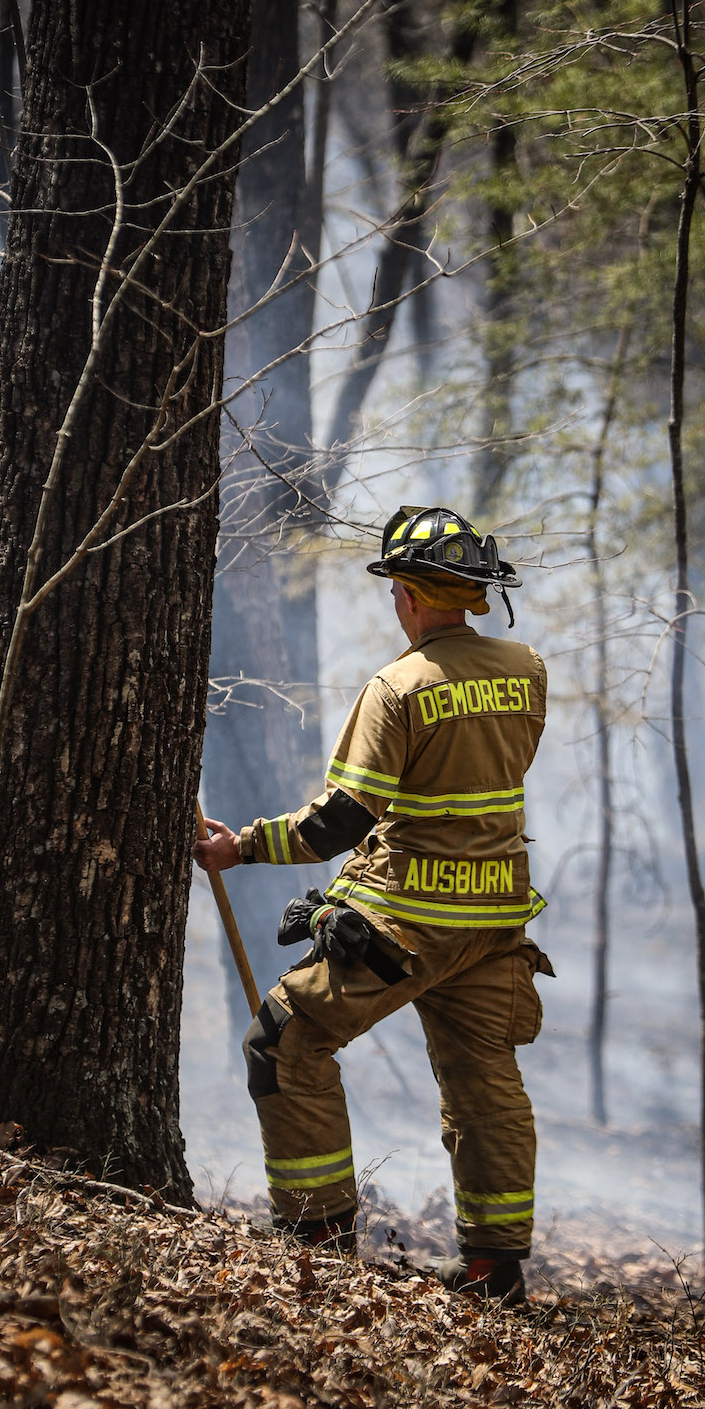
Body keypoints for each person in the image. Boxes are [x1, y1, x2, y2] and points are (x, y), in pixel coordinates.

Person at [195, 507, 552, 1303]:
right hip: (496, 923)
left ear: (410, 595)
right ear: (472, 593)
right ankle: (495, 1273)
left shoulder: (398, 688)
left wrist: (240, 846)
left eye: (395, 589)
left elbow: (338, 824)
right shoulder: (526, 670)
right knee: (485, 1086)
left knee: (282, 1043)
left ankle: (317, 1247)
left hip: (408, 924)